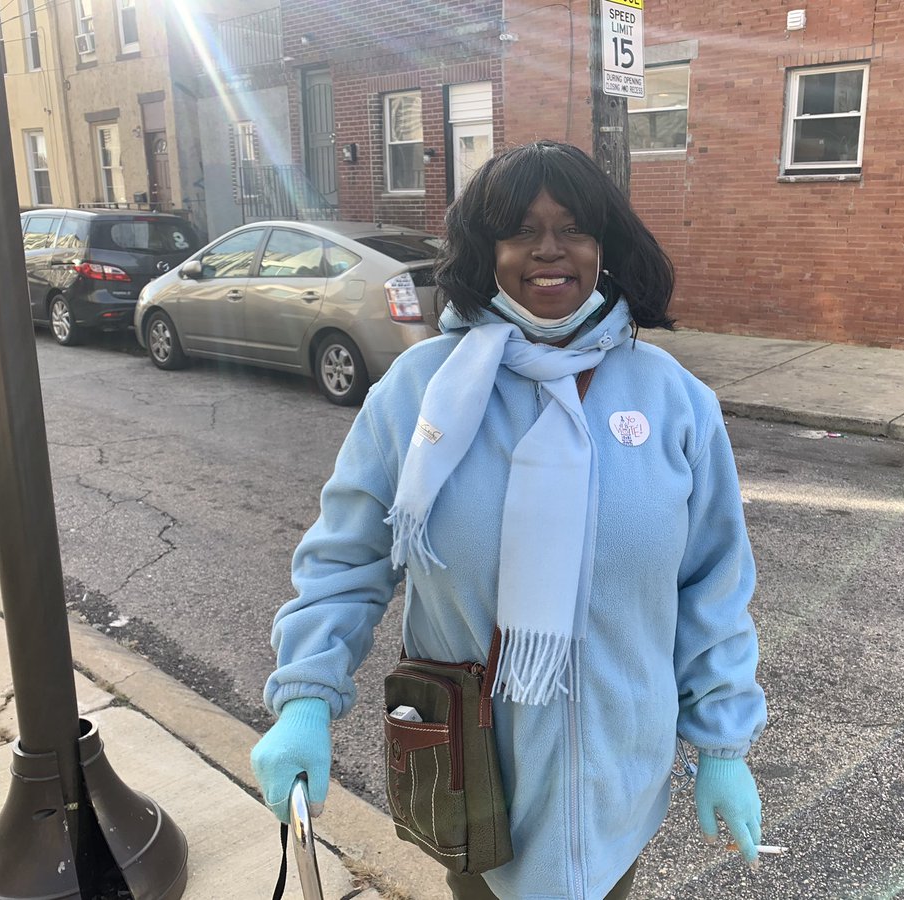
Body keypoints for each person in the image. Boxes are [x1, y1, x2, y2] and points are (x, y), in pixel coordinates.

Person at [251, 140, 767, 899]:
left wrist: (723, 746)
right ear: (484, 250)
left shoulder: (674, 400)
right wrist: (304, 698)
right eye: (521, 230)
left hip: (619, 788)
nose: (549, 250)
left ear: (605, 246)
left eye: (573, 228)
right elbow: (345, 560)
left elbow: (712, 586)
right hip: (475, 786)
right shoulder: (417, 391)